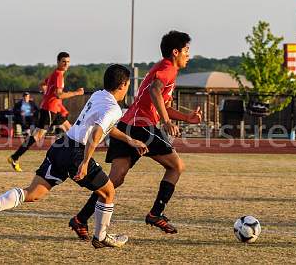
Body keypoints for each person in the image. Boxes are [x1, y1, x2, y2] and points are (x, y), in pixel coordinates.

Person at [0, 64, 148, 248]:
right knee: (108, 191)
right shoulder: (114, 109)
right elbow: (97, 132)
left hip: (61, 147)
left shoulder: (98, 95)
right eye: (128, 85)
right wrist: (85, 162)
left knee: (32, 193)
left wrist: (130, 140)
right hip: (76, 152)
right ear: (122, 85)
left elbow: (105, 127)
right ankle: (101, 237)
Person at [69, 30, 202, 240]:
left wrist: (186, 118)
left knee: (115, 179)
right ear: (175, 52)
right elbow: (154, 92)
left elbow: (163, 104)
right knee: (176, 167)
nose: (189, 54)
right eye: (186, 50)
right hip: (142, 126)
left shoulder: (165, 69)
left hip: (126, 125)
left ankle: (80, 219)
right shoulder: (167, 68)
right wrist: (166, 121)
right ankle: (155, 213)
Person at [8, 52, 84, 172]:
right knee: (38, 136)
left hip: (54, 109)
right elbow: (58, 94)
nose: (66, 64)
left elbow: (43, 84)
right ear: (58, 62)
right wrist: (77, 93)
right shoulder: (58, 74)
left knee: (71, 130)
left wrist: (47, 92)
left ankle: (77, 159)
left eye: (68, 62)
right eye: (64, 61)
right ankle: (15, 157)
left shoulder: (55, 73)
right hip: (50, 109)